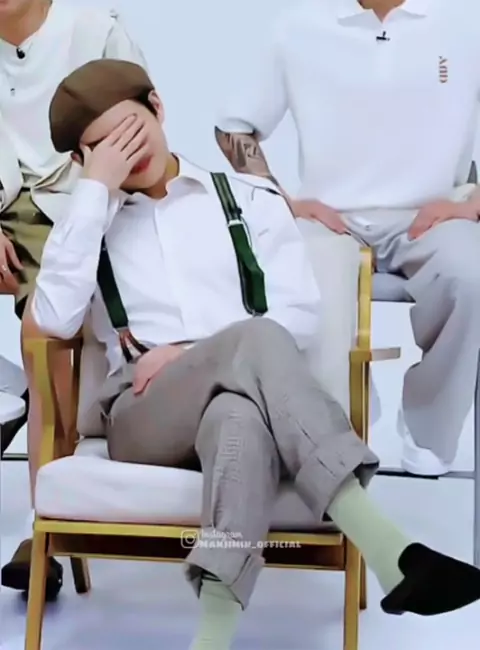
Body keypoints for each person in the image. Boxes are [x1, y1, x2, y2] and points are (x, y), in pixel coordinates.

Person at [31, 59, 480, 649]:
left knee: (238, 416)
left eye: (132, 129)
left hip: (244, 395)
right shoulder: (85, 223)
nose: (127, 153)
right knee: (255, 339)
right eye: (105, 148)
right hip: (142, 411)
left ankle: (212, 640)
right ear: (81, 159)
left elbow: (299, 316)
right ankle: (387, 547)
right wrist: (94, 192)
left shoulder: (247, 199)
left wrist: (190, 352)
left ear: (158, 107)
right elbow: (53, 319)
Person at [215, 0, 480, 478]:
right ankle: (343, 416)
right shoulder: (298, 26)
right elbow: (233, 125)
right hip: (332, 218)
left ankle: (430, 429)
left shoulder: (463, 25)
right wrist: (282, 200)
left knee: (471, 276)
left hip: (432, 216)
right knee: (294, 272)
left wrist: (472, 204)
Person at [0, 0, 147, 599]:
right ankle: (10, 390)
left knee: (45, 336)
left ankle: (44, 526)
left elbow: (142, 145)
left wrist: (91, 201)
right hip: (5, 210)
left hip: (77, 204)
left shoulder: (94, 33)